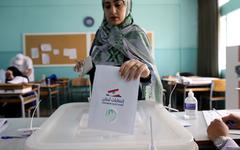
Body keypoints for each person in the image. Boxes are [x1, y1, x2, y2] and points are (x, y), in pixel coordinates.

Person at [74, 0, 163, 102]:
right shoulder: (100, 34)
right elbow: (97, 67)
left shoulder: (136, 35)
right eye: (107, 6)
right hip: (102, 99)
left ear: (128, 6)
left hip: (129, 103)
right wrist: (86, 66)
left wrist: (145, 73)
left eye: (118, 5)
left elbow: (149, 75)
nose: (113, 11)